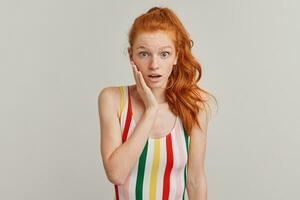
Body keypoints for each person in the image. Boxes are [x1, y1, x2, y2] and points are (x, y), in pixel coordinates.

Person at [98, 6, 216, 200]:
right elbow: (116, 174)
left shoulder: (195, 105)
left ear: (176, 56)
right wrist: (151, 110)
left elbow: (195, 180)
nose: (154, 65)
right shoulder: (112, 100)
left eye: (164, 54)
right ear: (131, 56)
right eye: (144, 54)